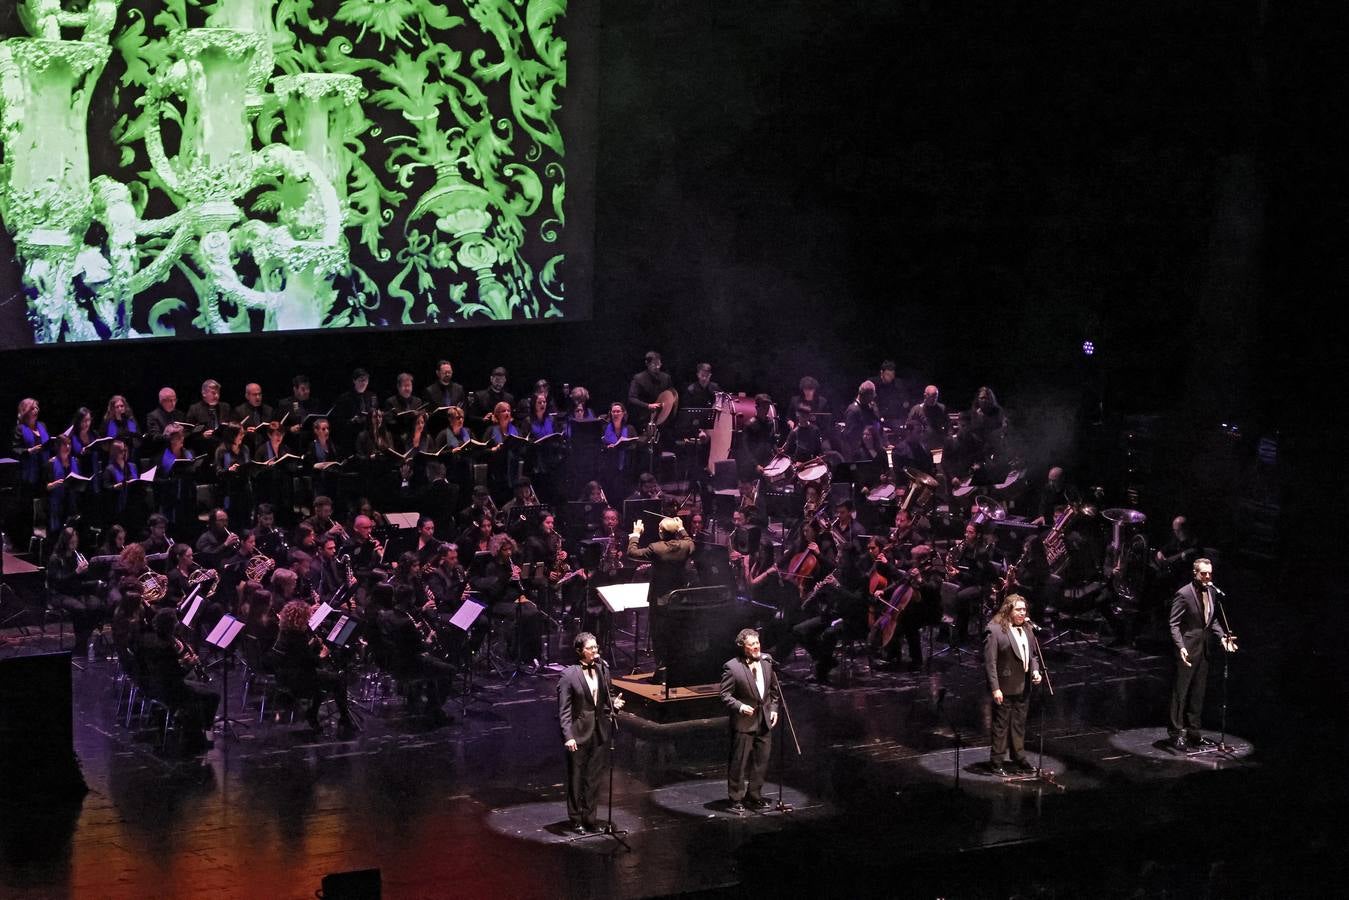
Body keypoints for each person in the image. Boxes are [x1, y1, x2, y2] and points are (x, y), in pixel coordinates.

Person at [557, 632, 625, 834]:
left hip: (599, 730)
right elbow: (564, 709)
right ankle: (576, 818)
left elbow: (607, 696)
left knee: (593, 778)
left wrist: (615, 704)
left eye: (596, 647)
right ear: (580, 651)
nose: (595, 651)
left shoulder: (603, 668)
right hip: (578, 733)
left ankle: (590, 817)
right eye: (591, 648)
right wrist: (567, 736)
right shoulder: (568, 675)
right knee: (576, 778)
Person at [1167, 558, 1237, 751]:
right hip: (1187, 649)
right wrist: (1180, 646)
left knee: (1198, 692)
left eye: (1209, 573)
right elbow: (1173, 624)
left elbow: (1211, 620)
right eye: (1203, 573)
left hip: (1205, 649)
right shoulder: (1183, 594)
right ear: (1195, 573)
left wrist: (1223, 637)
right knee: (1181, 692)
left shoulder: (1213, 592)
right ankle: (1176, 733)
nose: (1207, 577)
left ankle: (1194, 733)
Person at [272, 599, 357, 736]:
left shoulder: (285, 632)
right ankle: (343, 717)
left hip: (285, 676)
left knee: (327, 680)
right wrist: (323, 654)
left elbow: (299, 657)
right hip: (299, 680)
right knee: (339, 679)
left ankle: (314, 712)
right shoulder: (297, 638)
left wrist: (311, 644)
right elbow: (310, 662)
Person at [719, 628, 781, 812]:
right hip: (744, 722)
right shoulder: (732, 667)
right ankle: (735, 799)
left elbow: (773, 691)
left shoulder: (767, 662)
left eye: (757, 643)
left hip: (764, 720)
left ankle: (754, 796)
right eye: (751, 645)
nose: (756, 647)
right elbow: (725, 695)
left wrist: (774, 710)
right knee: (739, 762)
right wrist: (739, 706)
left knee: (761, 761)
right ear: (742, 647)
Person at [625, 516, 694, 676]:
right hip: (679, 599)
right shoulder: (685, 546)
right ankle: (677, 669)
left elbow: (631, 553)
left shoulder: (656, 548)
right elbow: (690, 541)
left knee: (659, 635)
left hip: (660, 600)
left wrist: (635, 534)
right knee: (677, 634)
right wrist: (682, 528)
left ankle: (662, 670)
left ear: (661, 532)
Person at [983, 594, 1043, 776]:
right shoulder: (994, 630)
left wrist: (1035, 671)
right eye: (1018, 609)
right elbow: (990, 662)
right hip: (1004, 685)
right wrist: (995, 688)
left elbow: (1032, 655)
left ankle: (1019, 757)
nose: (1022, 613)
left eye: (1024, 609)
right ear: (1008, 609)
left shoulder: (1027, 629)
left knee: (1019, 724)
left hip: (1023, 685)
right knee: (1001, 725)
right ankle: (997, 761)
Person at [626, 350, 673, 431]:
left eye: (659, 364)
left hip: (663, 417)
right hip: (644, 417)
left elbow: (670, 394)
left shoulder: (666, 378)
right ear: (647, 364)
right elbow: (632, 398)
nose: (657, 367)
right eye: (654, 364)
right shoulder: (638, 378)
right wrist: (648, 405)